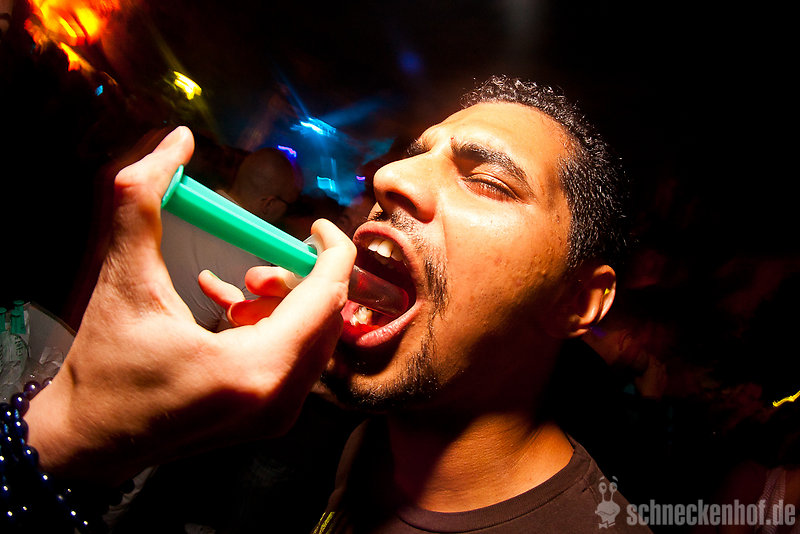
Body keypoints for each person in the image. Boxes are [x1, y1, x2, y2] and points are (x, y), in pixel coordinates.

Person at [6, 75, 650, 533]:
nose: (389, 177)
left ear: (577, 300)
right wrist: (85, 431)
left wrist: (74, 433)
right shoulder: (370, 444)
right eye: (414, 156)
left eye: (487, 181)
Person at [161, 146, 300, 331]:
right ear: (269, 204)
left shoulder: (177, 200)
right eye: (290, 206)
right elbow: (225, 342)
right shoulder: (256, 273)